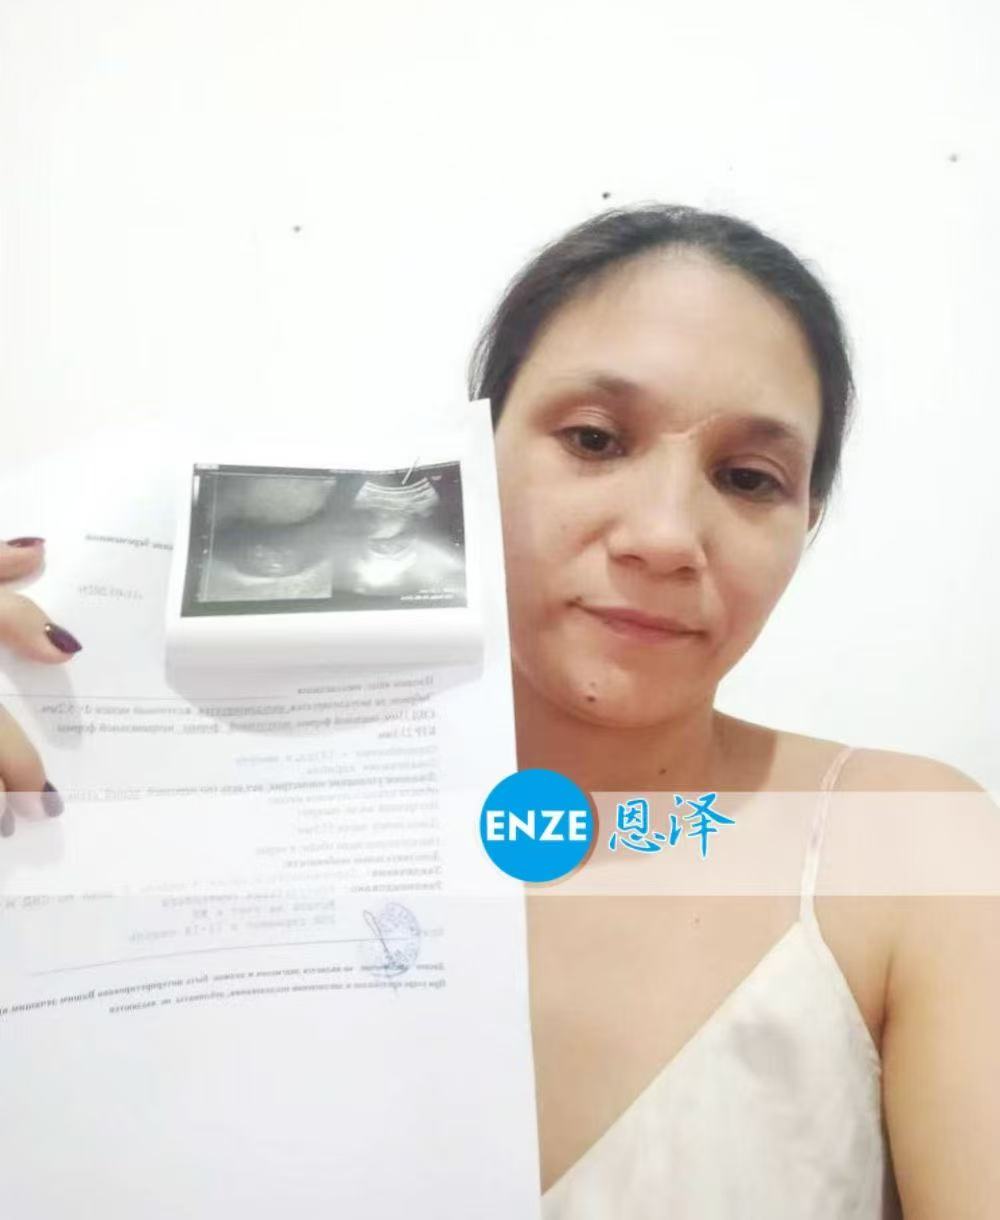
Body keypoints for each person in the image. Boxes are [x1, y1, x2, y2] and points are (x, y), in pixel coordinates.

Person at [1, 204, 998, 1216]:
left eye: (749, 478)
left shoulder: (909, 846)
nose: (663, 536)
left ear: (804, 525)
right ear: (469, 463)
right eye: (594, 439)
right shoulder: (207, 828)